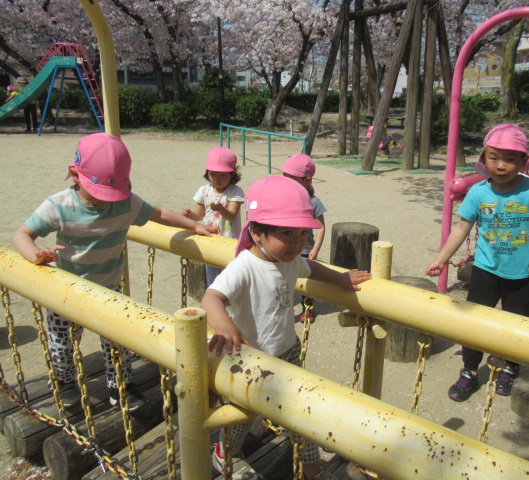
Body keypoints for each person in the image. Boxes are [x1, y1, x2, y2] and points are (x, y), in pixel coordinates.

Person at [13, 133, 215, 411]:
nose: (104, 201)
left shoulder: (124, 202)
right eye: (97, 193)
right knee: (62, 342)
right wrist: (35, 255)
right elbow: (22, 234)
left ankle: (120, 384)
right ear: (75, 175)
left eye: (110, 194)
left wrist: (194, 226)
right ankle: (64, 381)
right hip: (65, 290)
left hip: (109, 288)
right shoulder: (59, 205)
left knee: (117, 341)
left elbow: (158, 213)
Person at [202, 176, 371, 479]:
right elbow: (211, 297)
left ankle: (311, 467)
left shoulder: (290, 259)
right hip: (249, 357)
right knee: (243, 415)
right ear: (256, 232)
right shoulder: (244, 266)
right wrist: (224, 324)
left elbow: (311, 267)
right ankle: (225, 451)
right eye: (287, 233)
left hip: (287, 349)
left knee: (300, 409)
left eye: (303, 233)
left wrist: (340, 278)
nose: (297, 242)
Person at [425, 124, 529, 402]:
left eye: (510, 159)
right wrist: (442, 259)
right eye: (494, 157)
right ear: (484, 158)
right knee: (474, 323)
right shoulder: (478, 192)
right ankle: (469, 371)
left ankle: (511, 367)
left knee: (516, 325)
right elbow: (461, 228)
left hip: (523, 273)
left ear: (523, 162)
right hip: (486, 270)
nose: (501, 165)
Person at [182, 146, 244, 287]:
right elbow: (199, 215)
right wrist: (189, 214)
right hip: (210, 239)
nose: (217, 179)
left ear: (232, 174)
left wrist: (221, 209)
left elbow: (231, 216)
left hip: (229, 241)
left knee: (230, 278)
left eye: (222, 175)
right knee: (212, 277)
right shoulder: (204, 190)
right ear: (207, 173)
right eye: (213, 174)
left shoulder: (235, 191)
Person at [281, 153, 326, 323]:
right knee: (283, 280)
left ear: (307, 180)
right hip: (284, 248)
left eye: (290, 178)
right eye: (284, 177)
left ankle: (308, 307)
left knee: (306, 283)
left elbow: (321, 227)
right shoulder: (284, 197)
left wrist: (315, 249)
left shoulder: (313, 202)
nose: (286, 182)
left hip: (305, 250)